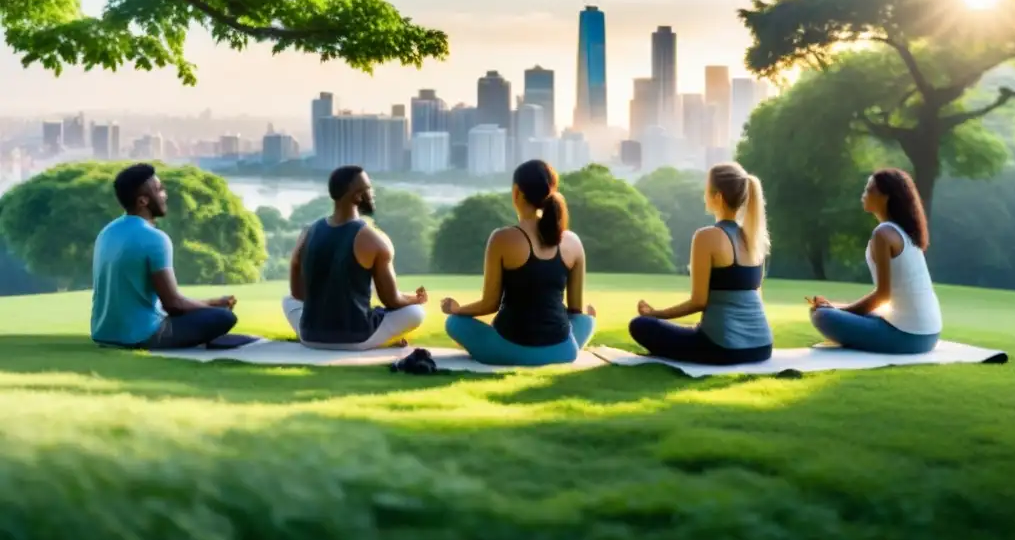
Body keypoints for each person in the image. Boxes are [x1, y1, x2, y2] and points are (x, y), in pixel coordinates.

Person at [441, 159, 596, 366]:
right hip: (564, 351)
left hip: (508, 349)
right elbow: (575, 310)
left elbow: (490, 304)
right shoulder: (573, 242)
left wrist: (457, 310)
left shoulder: (502, 239)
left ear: (516, 193)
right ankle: (589, 323)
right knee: (584, 319)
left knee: (454, 323)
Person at [629, 162, 773, 365]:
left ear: (718, 197)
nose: (703, 195)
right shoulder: (753, 237)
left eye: (707, 190)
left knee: (641, 325)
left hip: (724, 348)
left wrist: (655, 314)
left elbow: (699, 301)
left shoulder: (707, 237)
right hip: (762, 348)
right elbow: (756, 295)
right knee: (687, 331)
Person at [91, 163, 238, 349]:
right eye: (159, 190)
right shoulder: (155, 239)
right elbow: (174, 304)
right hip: (142, 336)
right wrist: (213, 307)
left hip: (104, 334)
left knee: (211, 311)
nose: (164, 195)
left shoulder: (107, 232)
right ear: (143, 201)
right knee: (224, 317)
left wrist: (211, 302)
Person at [282, 166, 427, 350]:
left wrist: (321, 306)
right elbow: (391, 301)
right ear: (357, 197)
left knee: (288, 301)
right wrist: (415, 299)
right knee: (416, 313)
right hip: (356, 339)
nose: (372, 193)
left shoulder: (308, 232)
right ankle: (386, 339)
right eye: (368, 188)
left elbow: (297, 293)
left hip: (310, 336)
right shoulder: (375, 239)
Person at [808, 169, 941, 354]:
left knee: (821, 315)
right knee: (831, 308)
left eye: (869, 190)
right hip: (929, 333)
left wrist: (841, 312)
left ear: (886, 197)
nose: (864, 195)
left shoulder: (884, 234)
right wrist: (839, 309)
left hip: (909, 337)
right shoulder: (904, 231)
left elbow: (883, 296)